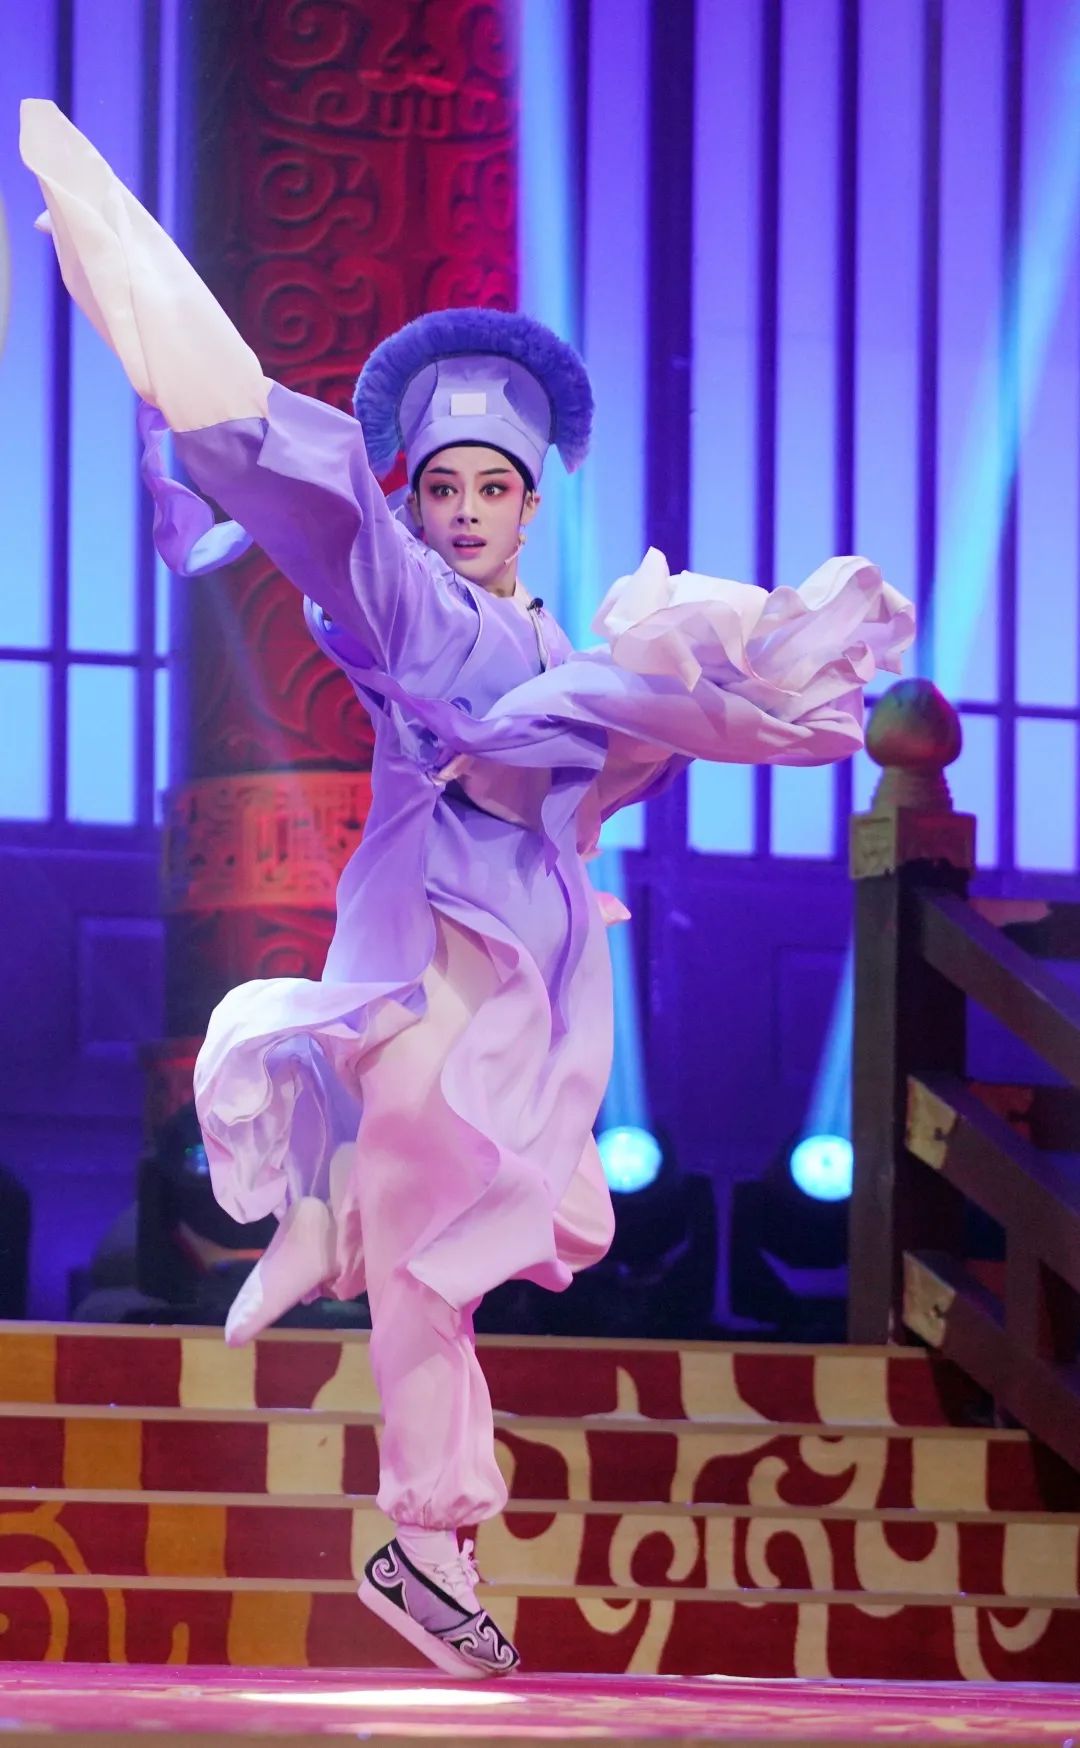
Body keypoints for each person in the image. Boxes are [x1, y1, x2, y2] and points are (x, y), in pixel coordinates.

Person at [20, 99, 914, 1680]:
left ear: (530, 501)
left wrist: (692, 707)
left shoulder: (567, 647)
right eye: (441, 490)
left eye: (489, 490)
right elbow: (317, 507)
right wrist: (201, 391)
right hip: (436, 956)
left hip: (537, 981)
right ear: (419, 501)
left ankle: (337, 1234)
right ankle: (424, 1530)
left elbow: (622, 754)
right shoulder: (407, 602)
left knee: (502, 1226)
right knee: (436, 1245)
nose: (462, 513)